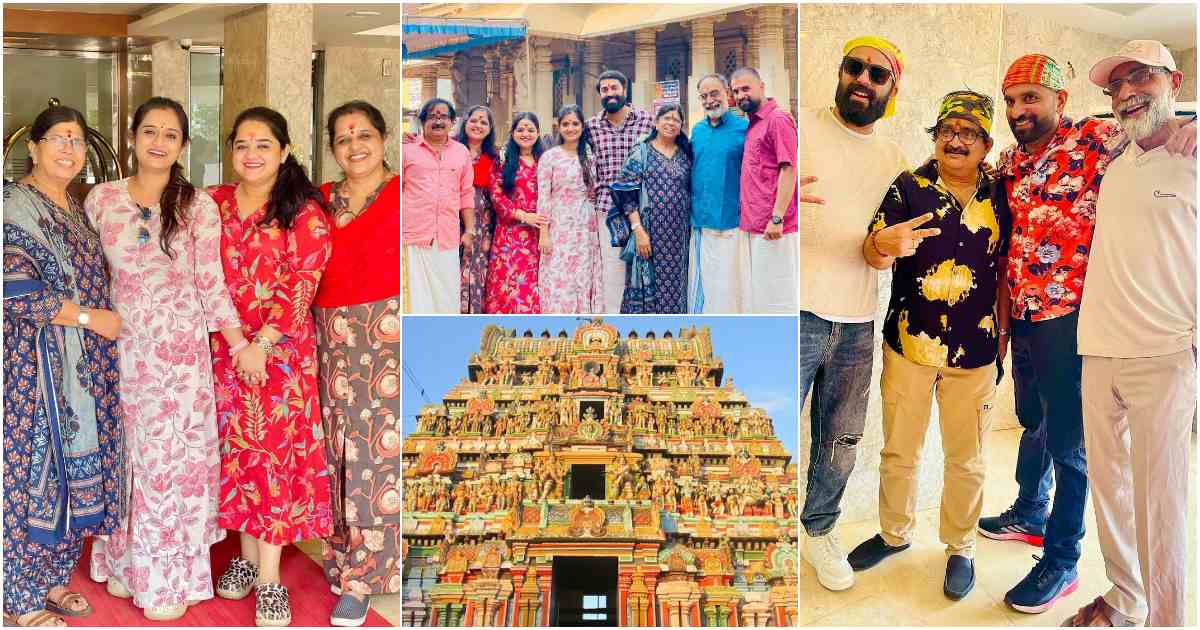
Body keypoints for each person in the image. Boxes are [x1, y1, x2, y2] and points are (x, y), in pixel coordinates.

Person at [984, 52, 1195, 616]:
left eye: (1031, 97)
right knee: (1040, 427)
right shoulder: (1014, 162)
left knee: (1074, 450)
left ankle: (1062, 558)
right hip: (1041, 324)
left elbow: (1164, 126)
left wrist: (1194, 124)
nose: (1019, 109)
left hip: (1079, 322)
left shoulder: (1097, 140)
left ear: (1061, 101)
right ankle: (1035, 517)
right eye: (1011, 100)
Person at [84, 97, 246, 621]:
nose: (158, 142)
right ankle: (129, 567)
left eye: (170, 134)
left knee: (173, 464)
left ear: (182, 146)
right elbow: (90, 277)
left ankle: (169, 578)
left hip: (180, 359)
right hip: (121, 351)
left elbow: (211, 284)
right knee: (132, 456)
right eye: (149, 131)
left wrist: (239, 342)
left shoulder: (198, 205)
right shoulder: (100, 200)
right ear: (131, 137)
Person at [848, 91, 1006, 601]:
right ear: (935, 137)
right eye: (947, 131)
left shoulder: (1003, 195)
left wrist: (1002, 339)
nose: (956, 141)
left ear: (985, 144)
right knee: (900, 451)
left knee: (968, 459)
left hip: (975, 352)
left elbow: (1006, 272)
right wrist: (880, 246)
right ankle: (894, 534)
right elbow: (872, 251)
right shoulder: (908, 188)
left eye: (968, 133)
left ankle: (960, 546)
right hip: (909, 347)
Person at [1062, 41, 1195, 628]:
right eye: (1117, 84)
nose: (1127, 92)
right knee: (1110, 490)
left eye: (1142, 77)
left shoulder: (1194, 153)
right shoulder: (1115, 160)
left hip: (1164, 354)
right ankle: (1124, 598)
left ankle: (1167, 619)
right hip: (1098, 349)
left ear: (1175, 81)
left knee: (1161, 502)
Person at [209, 106, 333, 627]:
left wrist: (261, 343)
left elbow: (301, 284)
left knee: (274, 462)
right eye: (242, 144)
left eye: (263, 144)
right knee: (235, 454)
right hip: (223, 349)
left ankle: (269, 579)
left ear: (284, 152)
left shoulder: (303, 211)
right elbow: (202, 273)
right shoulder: (212, 204)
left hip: (281, 357)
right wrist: (238, 343)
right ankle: (242, 555)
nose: (251, 153)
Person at [2, 105, 125, 628]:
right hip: (32, 370)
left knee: (76, 471)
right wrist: (89, 317)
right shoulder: (12, 203)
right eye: (58, 139)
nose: (69, 150)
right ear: (33, 147)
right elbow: (13, 289)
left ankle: (53, 580)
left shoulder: (77, 209)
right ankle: (20, 598)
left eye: (77, 141)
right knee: (32, 475)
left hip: (84, 367)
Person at [797, 36, 909, 593]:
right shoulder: (797, 128)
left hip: (858, 317)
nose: (863, 79)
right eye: (854, 67)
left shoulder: (893, 159)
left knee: (840, 439)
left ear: (891, 90)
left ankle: (819, 531)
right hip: (794, 311)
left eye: (877, 75)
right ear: (841, 72)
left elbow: (892, 238)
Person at [315, 100, 401, 627]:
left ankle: (364, 579)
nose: (355, 146)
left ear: (383, 138)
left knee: (376, 459)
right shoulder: (319, 200)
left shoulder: (403, 191)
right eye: (343, 138)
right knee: (336, 453)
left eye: (364, 134)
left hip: (386, 332)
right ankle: (340, 557)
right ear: (332, 149)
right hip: (327, 336)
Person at [610, 103, 693, 314]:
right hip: (648, 233)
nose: (671, 123)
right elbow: (626, 194)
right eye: (666, 118)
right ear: (656, 123)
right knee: (646, 287)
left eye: (676, 119)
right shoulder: (641, 151)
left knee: (677, 288)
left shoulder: (686, 153)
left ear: (681, 125)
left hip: (679, 238)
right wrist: (638, 230)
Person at [585, 70, 655, 312]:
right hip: (607, 208)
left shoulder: (647, 121)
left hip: (643, 206)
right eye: (604, 90)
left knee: (643, 265)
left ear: (625, 90)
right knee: (613, 270)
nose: (610, 93)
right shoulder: (592, 127)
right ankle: (615, 319)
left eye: (614, 88)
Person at [730, 67, 798, 313]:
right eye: (736, 91)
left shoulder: (777, 119)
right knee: (761, 297)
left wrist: (777, 217)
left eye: (745, 88)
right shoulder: (753, 124)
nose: (740, 95)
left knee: (778, 298)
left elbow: (788, 169)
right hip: (754, 225)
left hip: (774, 228)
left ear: (761, 86)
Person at [402, 98, 474, 313]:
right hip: (412, 236)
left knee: (446, 298)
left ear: (452, 122)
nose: (438, 121)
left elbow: (466, 193)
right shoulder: (407, 150)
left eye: (443, 116)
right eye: (432, 116)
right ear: (422, 122)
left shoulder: (461, 152)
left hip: (447, 238)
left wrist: (469, 230)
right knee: (415, 300)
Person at [687, 73, 749, 313]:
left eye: (714, 94)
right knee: (705, 292)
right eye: (704, 96)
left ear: (728, 94)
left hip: (734, 226)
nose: (710, 100)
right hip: (701, 225)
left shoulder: (744, 129)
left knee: (731, 291)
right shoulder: (698, 131)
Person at [537, 104, 603, 313]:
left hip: (585, 227)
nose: (570, 128)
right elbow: (543, 197)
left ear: (582, 127)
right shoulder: (550, 157)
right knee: (559, 274)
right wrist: (544, 234)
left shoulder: (590, 155)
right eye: (565, 124)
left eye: (575, 124)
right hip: (558, 226)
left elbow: (594, 190)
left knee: (583, 275)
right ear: (559, 127)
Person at [486, 112, 545, 313]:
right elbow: (496, 196)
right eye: (520, 129)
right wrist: (523, 215)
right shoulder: (503, 160)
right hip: (509, 234)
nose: (525, 134)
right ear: (512, 133)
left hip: (537, 234)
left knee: (533, 286)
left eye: (530, 129)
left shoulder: (545, 161)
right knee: (507, 285)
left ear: (538, 133)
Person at [454, 105, 498, 314]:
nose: (478, 125)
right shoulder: (450, 148)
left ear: (490, 129)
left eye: (484, 122)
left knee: (479, 268)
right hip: (454, 219)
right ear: (465, 122)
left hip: (484, 224)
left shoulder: (495, 157)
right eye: (474, 120)